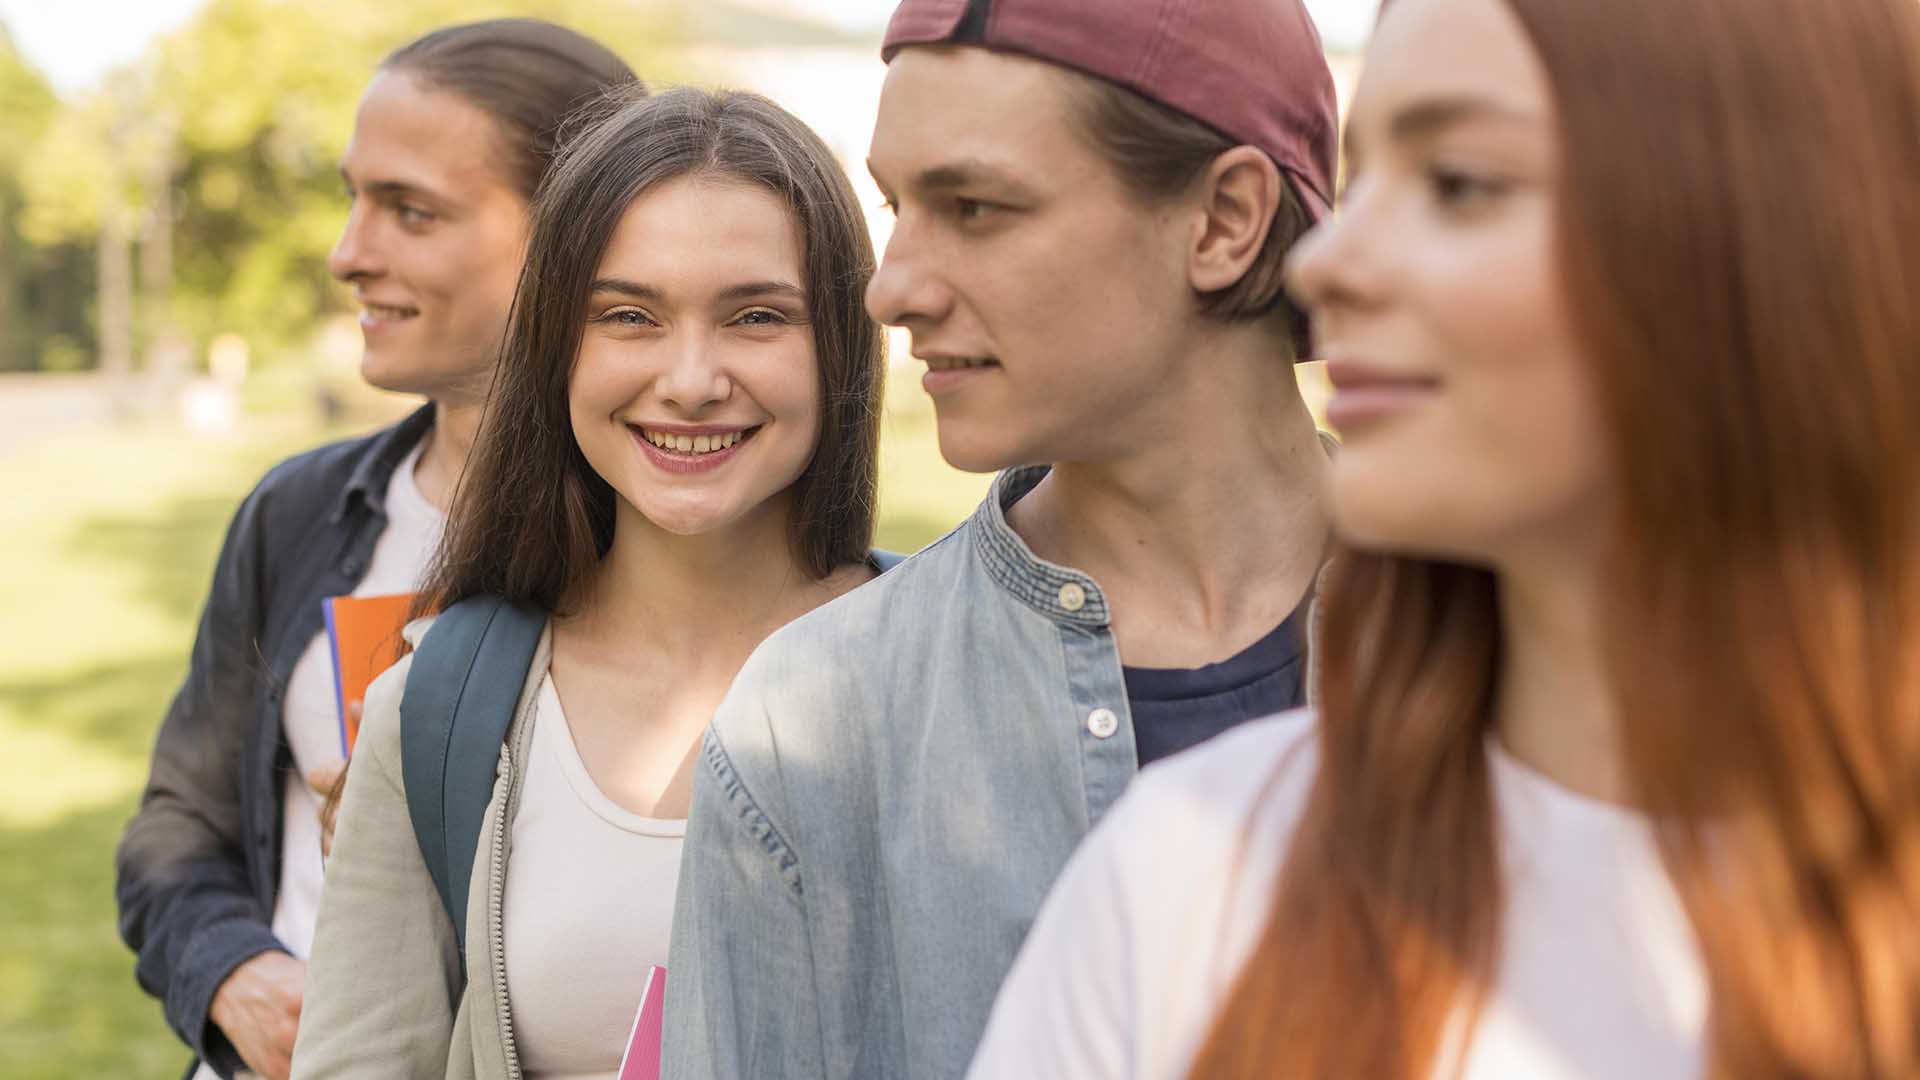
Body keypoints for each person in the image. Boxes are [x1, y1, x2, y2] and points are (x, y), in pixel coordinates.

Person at [968, 0, 1920, 1075]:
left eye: (1458, 183)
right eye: (1359, 180)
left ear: (1777, 235)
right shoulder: (1194, 882)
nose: (1321, 267)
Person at [663, 1, 1341, 1076]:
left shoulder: (1548, 646)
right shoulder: (811, 724)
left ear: (1224, 220)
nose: (890, 287)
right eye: (896, 206)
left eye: (973, 206)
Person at [289, 86, 889, 1080]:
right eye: (629, 315)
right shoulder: (435, 708)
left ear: (837, 342)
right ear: (558, 350)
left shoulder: (965, 677)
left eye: (755, 315)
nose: (691, 379)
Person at [113, 21, 638, 1080]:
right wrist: (235, 973)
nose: (348, 252)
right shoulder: (300, 513)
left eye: (410, 210)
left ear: (574, 238)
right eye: (355, 198)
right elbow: (179, 831)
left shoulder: (677, 550)